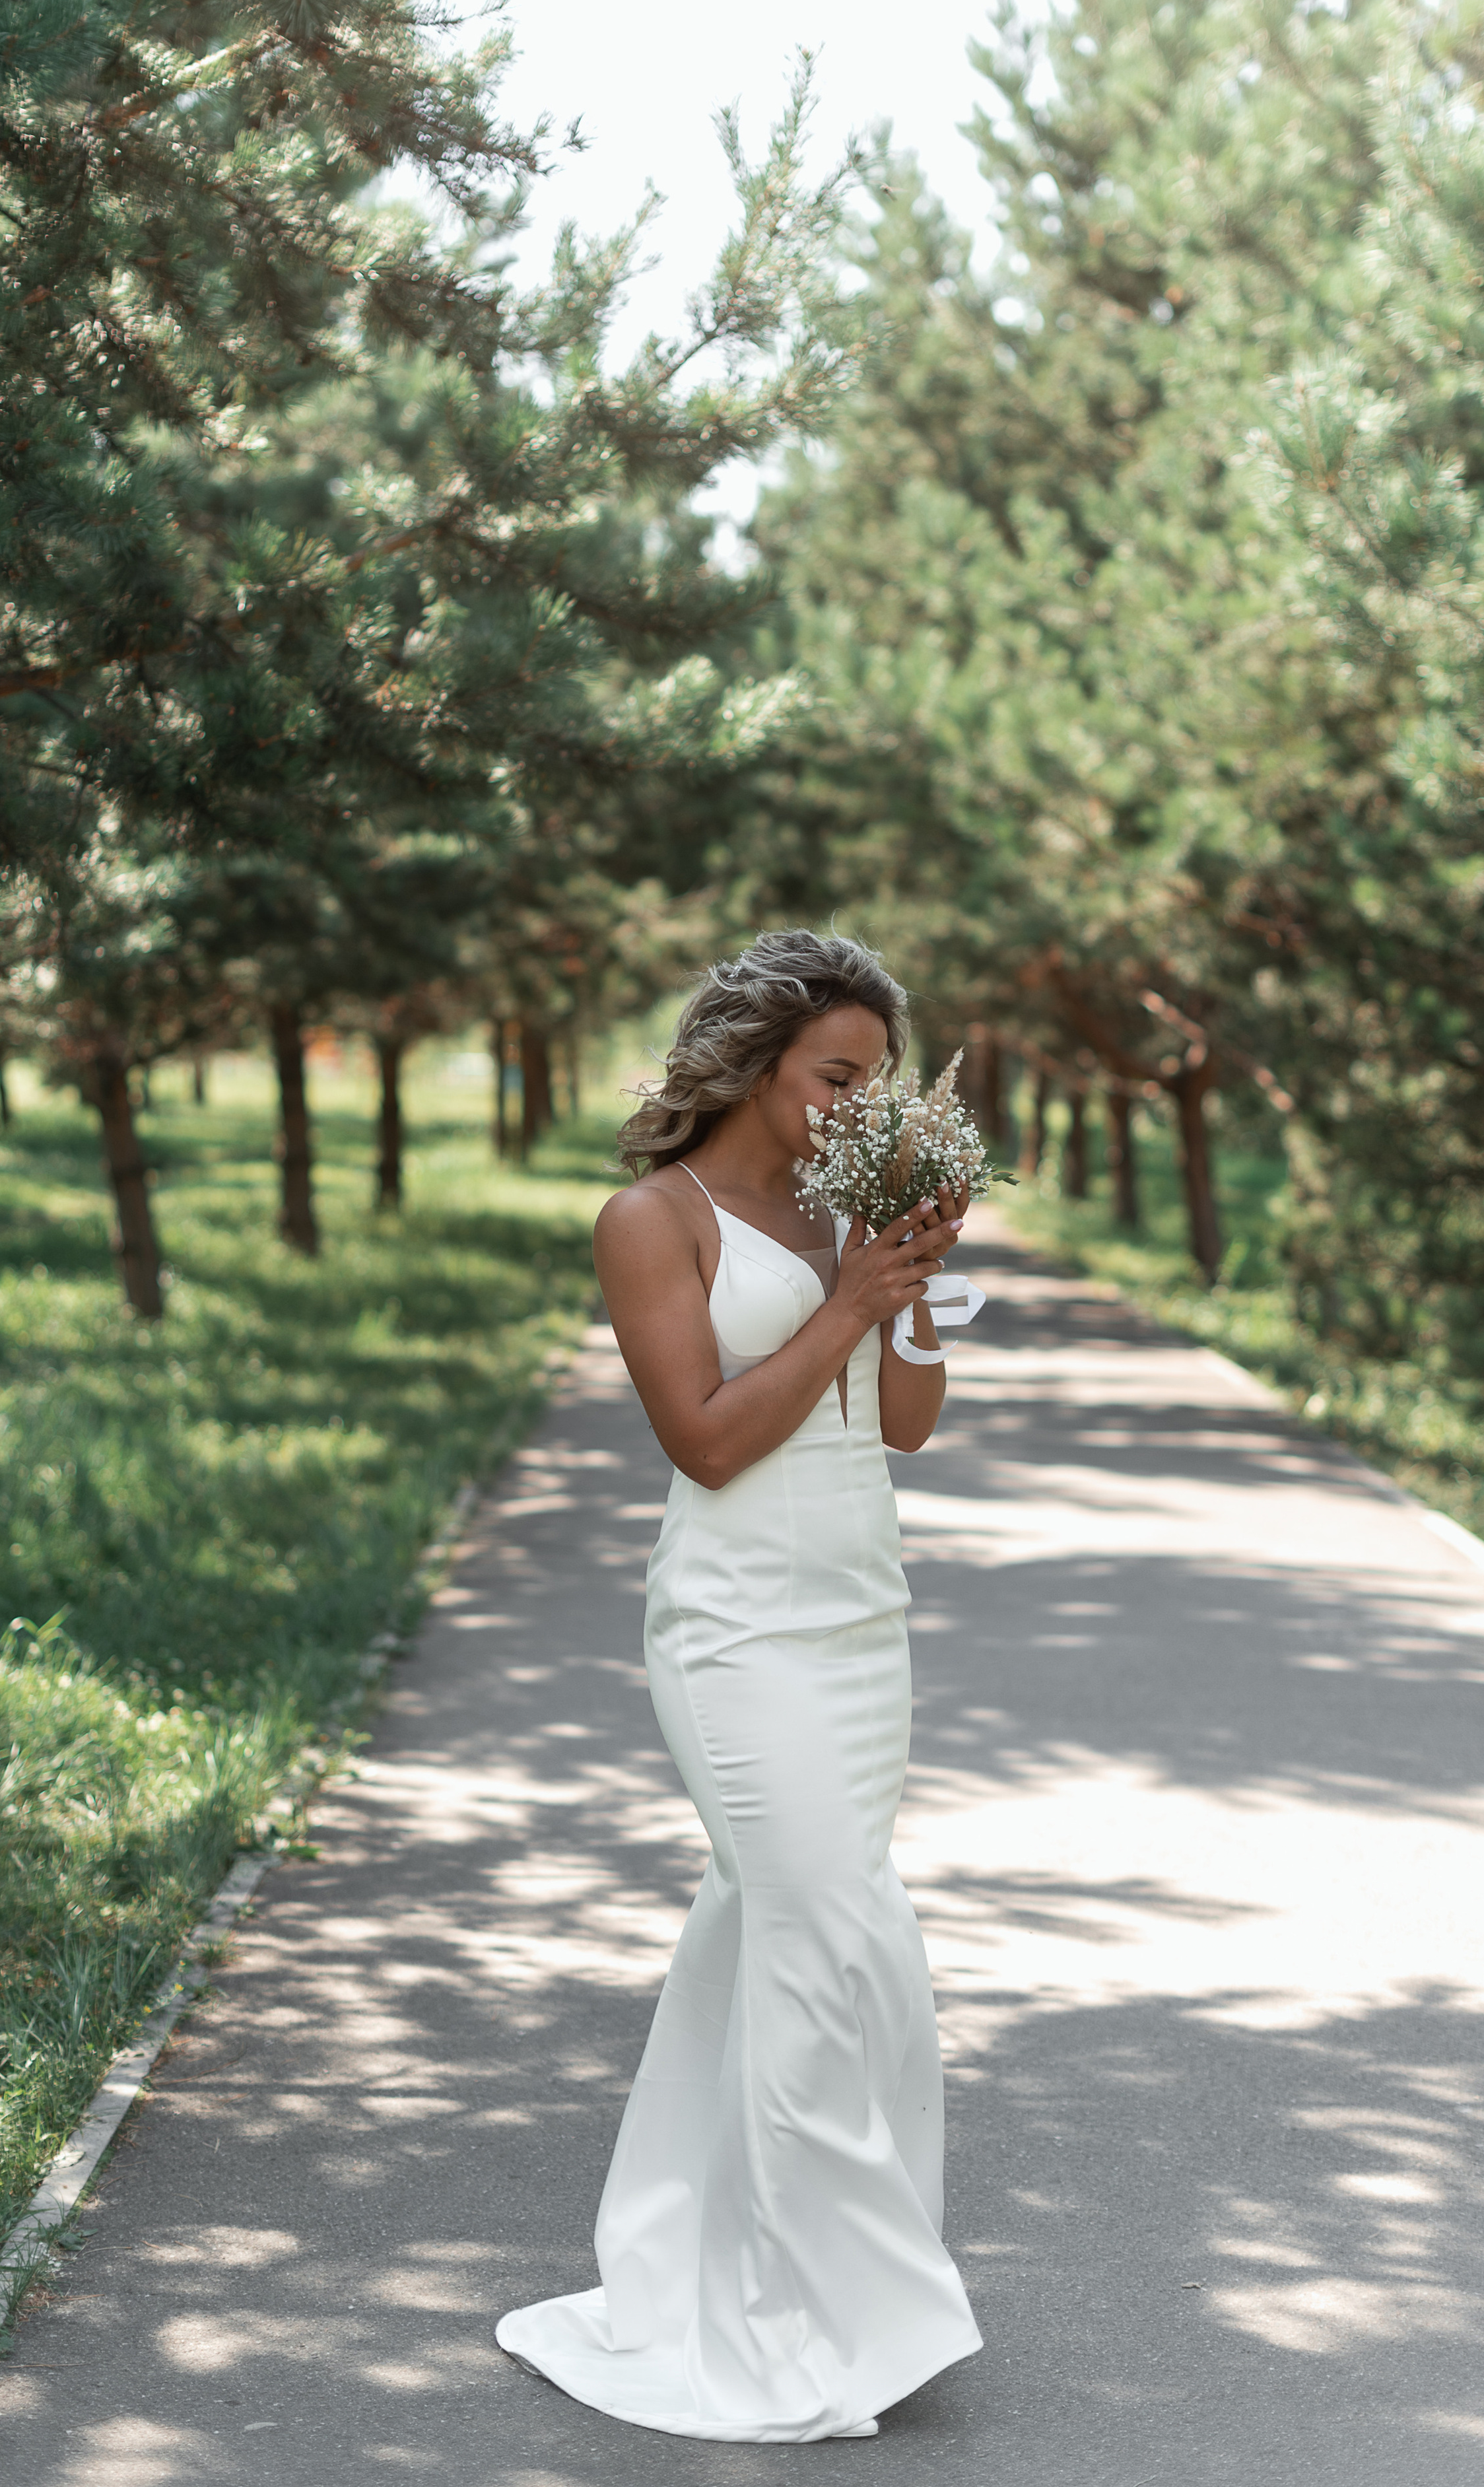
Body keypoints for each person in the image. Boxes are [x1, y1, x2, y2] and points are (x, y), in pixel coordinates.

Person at [495, 929, 984, 2443]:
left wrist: (910, 1283)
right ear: (755, 1060)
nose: (857, 1106)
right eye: (836, 1075)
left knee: (783, 1932)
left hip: (858, 1622)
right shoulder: (653, 1219)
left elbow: (905, 1423)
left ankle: (688, 2266)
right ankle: (802, 2317)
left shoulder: (851, 1212)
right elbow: (702, 1440)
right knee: (827, 1940)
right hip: (735, 1632)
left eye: (876, 1083)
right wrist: (845, 1300)